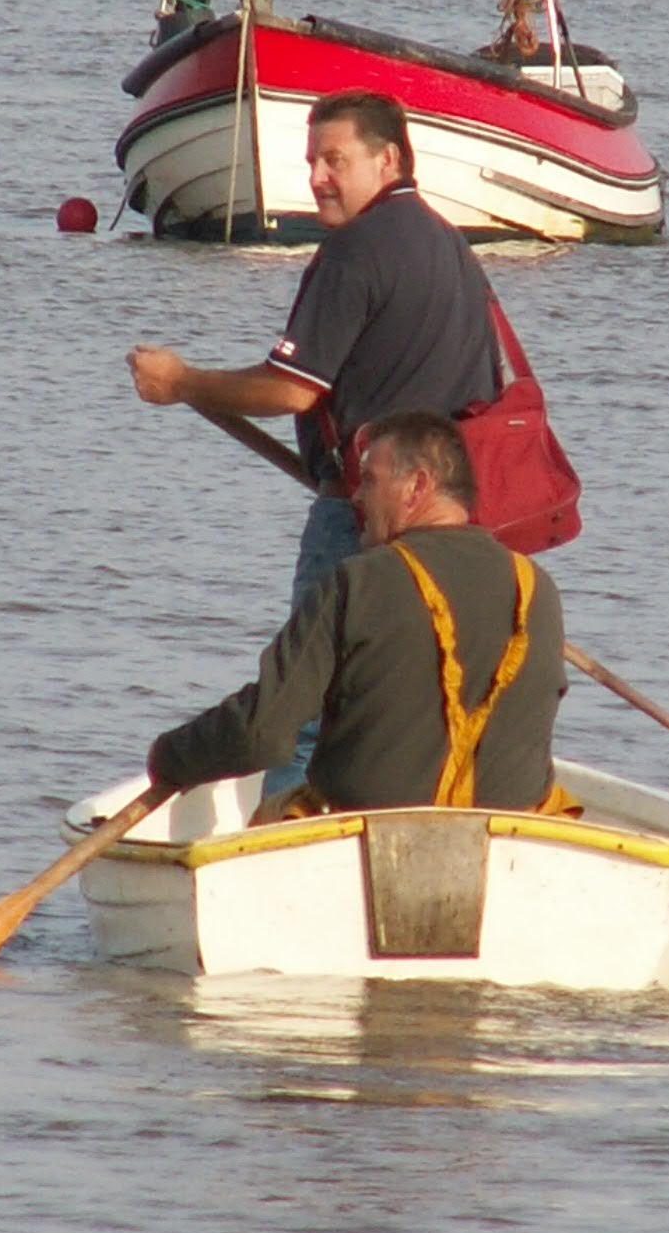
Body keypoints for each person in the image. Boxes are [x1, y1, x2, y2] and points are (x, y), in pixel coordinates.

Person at [127, 90, 501, 788]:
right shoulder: (450, 245)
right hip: (448, 530)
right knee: (406, 707)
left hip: (360, 518)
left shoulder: (356, 250)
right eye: (311, 161)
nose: (317, 177)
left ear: (389, 160)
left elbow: (291, 388)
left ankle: (283, 834)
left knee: (302, 710)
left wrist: (182, 381)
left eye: (335, 160)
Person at [145, 412, 566, 814]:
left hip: (364, 834)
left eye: (368, 479)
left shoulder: (357, 581)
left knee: (276, 812)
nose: (356, 496)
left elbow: (261, 733)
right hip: (510, 837)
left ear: (417, 486)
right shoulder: (538, 588)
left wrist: (169, 756)